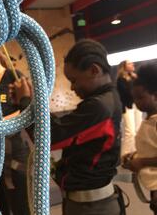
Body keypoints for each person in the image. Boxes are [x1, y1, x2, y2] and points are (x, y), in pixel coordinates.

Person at [12, 39, 124, 215]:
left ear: (94, 70)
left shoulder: (100, 107)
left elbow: (48, 137)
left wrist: (26, 102)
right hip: (88, 203)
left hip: (91, 208)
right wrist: (30, 102)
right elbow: (61, 128)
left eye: (74, 80)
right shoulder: (108, 99)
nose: (72, 88)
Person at [0, 48, 31, 215]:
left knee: (20, 205)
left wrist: (0, 123)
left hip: (13, 152)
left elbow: (27, 108)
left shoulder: (13, 77)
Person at [122, 63, 157, 215]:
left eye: (141, 97)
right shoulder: (148, 120)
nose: (137, 102)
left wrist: (141, 162)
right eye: (134, 98)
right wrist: (135, 156)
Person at [117, 60, 142, 156]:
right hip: (127, 107)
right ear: (124, 67)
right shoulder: (121, 79)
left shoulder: (135, 78)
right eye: (130, 63)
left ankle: (135, 153)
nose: (133, 64)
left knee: (138, 130)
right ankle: (125, 155)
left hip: (136, 105)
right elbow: (126, 94)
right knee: (130, 132)